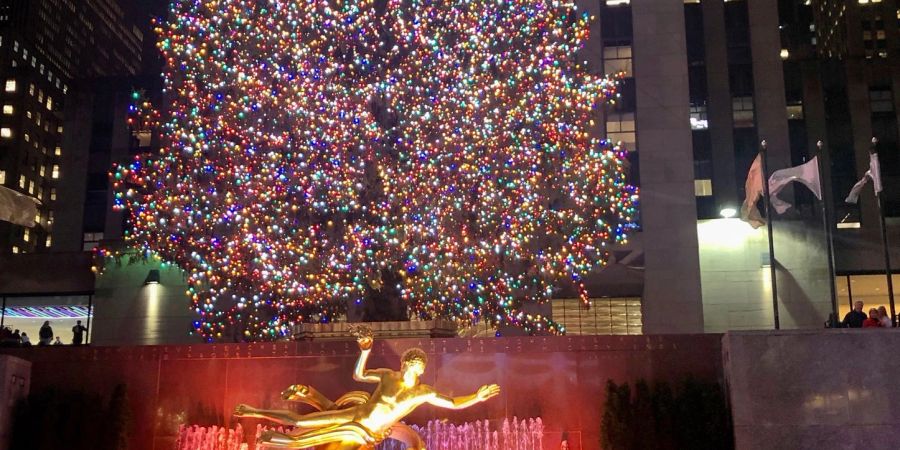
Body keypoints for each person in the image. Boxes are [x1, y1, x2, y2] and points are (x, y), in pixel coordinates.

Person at [234, 329, 500, 448]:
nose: (411, 368)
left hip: (368, 431)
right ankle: (252, 411)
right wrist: (365, 350)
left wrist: (476, 397)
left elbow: (452, 404)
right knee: (301, 420)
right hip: (357, 413)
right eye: (409, 363)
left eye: (417, 365)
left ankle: (281, 440)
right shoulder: (387, 376)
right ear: (404, 363)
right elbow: (359, 375)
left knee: (304, 436)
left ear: (421, 370)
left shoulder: (423, 392)